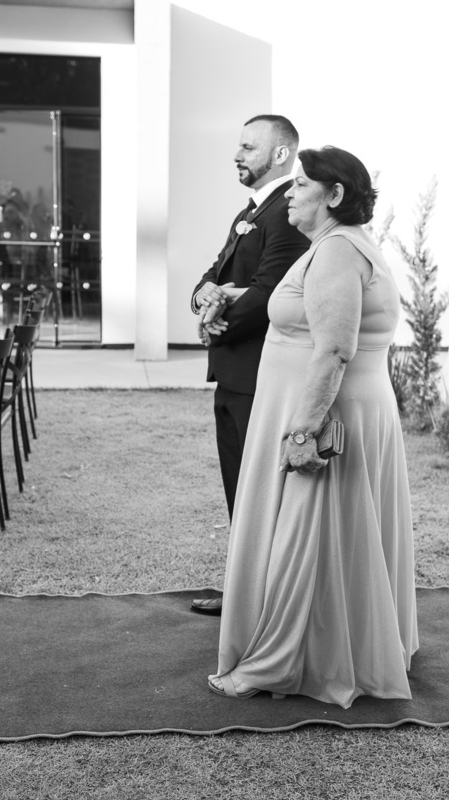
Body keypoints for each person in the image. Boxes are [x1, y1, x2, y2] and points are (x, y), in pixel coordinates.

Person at [208, 146, 417, 708]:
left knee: (307, 538)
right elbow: (309, 313)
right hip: (339, 407)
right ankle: (341, 647)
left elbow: (333, 349)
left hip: (325, 416)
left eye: (301, 184)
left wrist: (302, 434)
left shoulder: (336, 252)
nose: (291, 192)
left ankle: (286, 661)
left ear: (335, 195)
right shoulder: (336, 247)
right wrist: (228, 295)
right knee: (329, 540)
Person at [188, 115, 309, 616]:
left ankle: (262, 599)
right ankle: (244, 589)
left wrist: (216, 324)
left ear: (280, 154)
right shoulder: (251, 210)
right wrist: (202, 297)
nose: (237, 155)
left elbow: (269, 294)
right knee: (238, 486)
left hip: (261, 375)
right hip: (233, 374)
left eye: (247, 147)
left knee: (257, 492)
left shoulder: (287, 213)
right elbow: (213, 273)